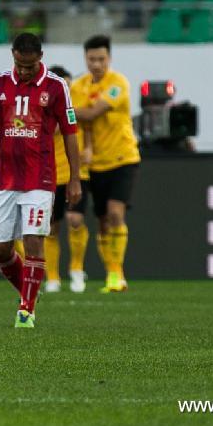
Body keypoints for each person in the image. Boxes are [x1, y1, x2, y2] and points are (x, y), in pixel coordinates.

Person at [0, 33, 81, 328]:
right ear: (13, 55)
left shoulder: (56, 86)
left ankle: (26, 308)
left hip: (40, 178)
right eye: (20, 65)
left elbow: (70, 133)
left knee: (33, 242)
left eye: (30, 66)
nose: (25, 71)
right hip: (5, 178)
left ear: (40, 58)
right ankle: (28, 290)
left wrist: (75, 179)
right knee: (0, 247)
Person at [71, 35, 140, 293]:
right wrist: (87, 146)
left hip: (123, 157)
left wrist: (61, 107)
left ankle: (116, 274)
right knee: (101, 221)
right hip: (95, 163)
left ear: (109, 59)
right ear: (85, 59)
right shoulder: (78, 87)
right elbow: (84, 123)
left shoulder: (117, 84)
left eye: (101, 59)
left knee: (114, 213)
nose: (97, 64)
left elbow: (91, 113)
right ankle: (112, 271)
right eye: (92, 59)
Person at [42, 66, 92, 294]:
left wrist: (89, 147)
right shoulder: (42, 107)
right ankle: (52, 277)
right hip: (50, 175)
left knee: (75, 219)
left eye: (67, 85)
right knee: (51, 228)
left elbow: (89, 125)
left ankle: (76, 269)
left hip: (76, 173)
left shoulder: (77, 105)